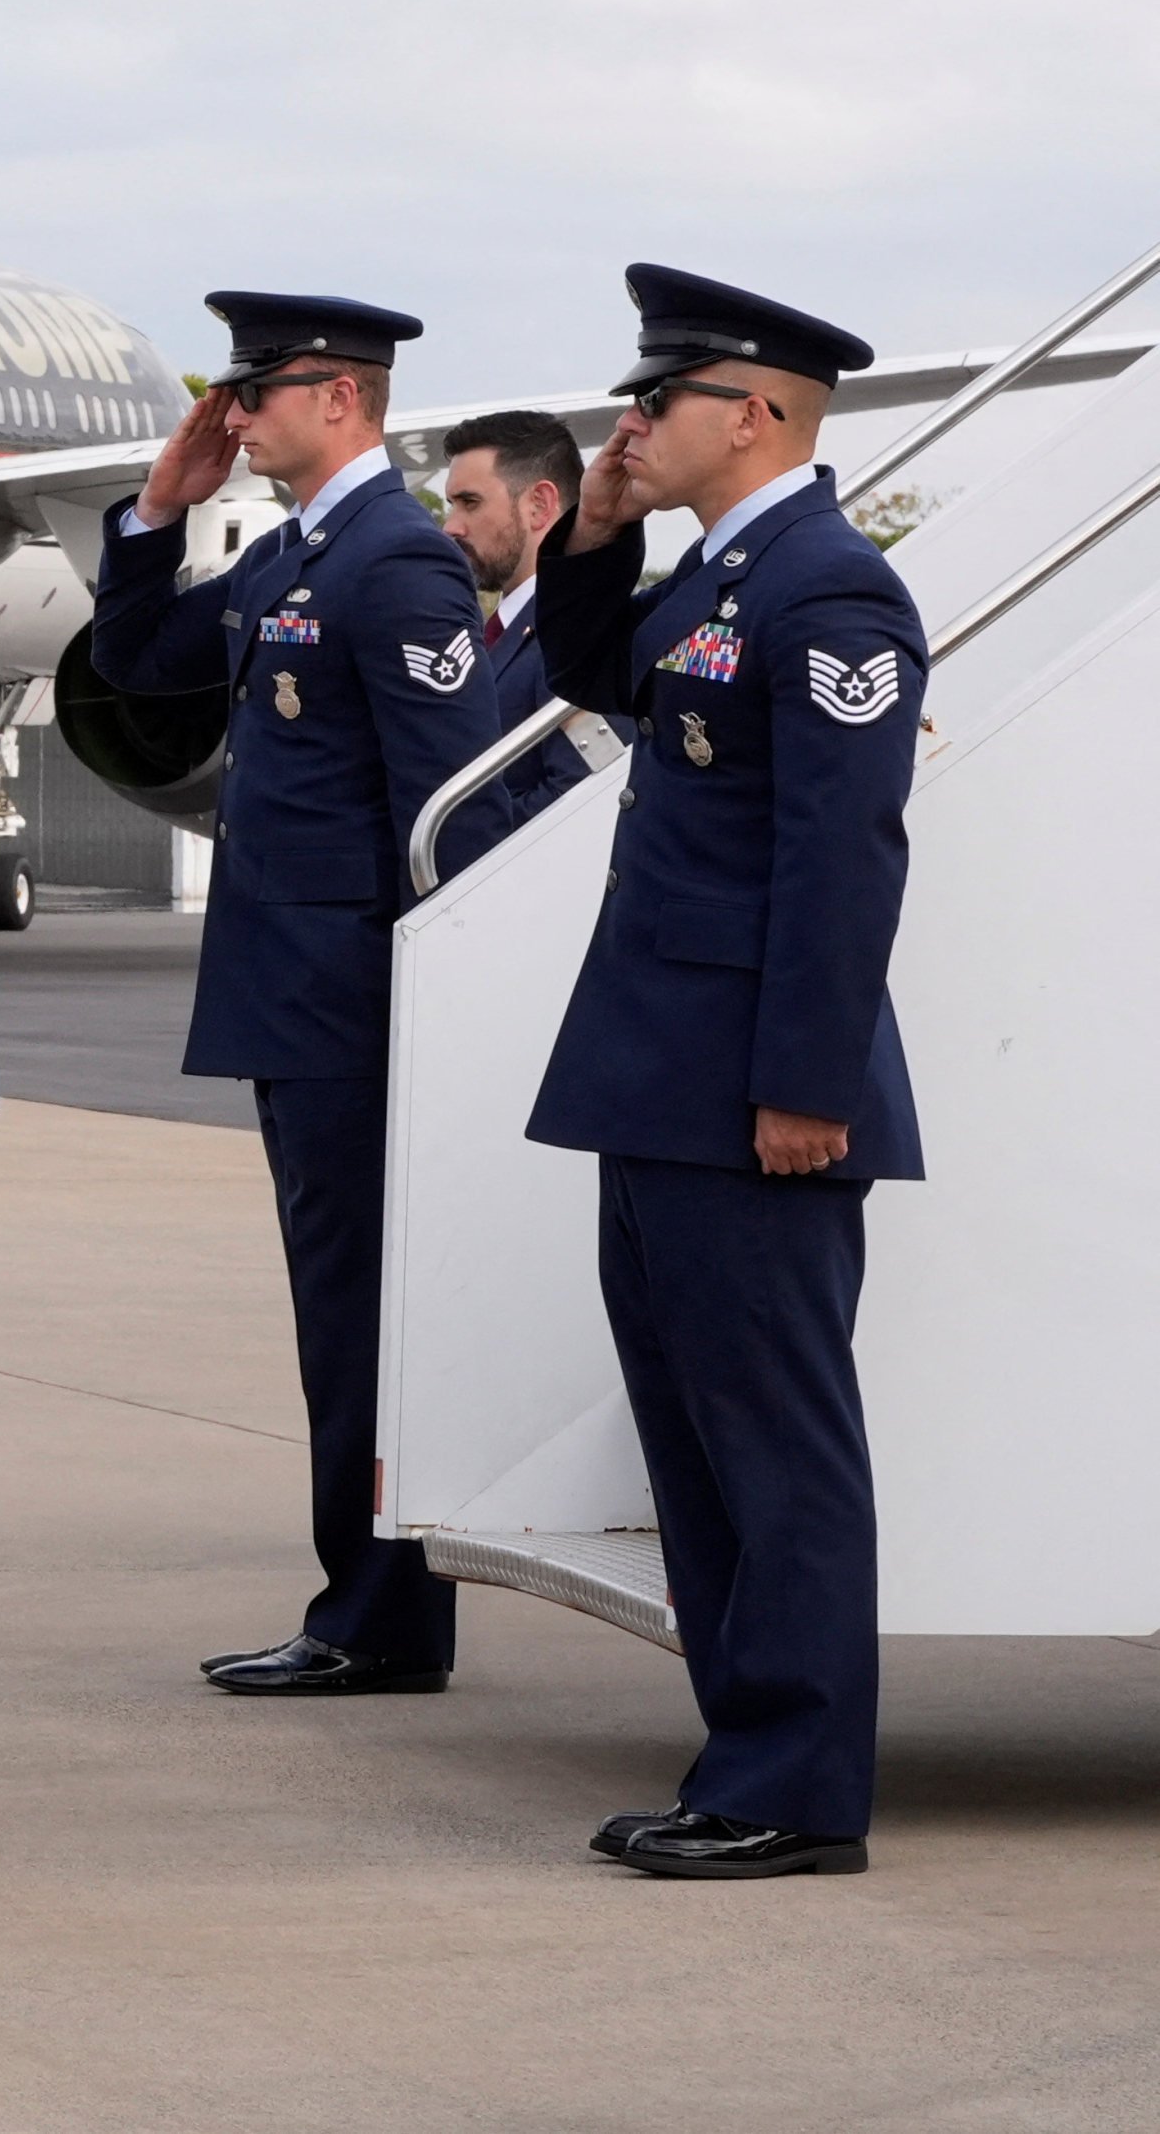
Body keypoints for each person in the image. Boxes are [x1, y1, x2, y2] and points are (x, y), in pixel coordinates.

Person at [531, 266, 923, 1881]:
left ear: (754, 411)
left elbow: (845, 861)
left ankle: (798, 1785)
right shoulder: (720, 580)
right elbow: (587, 670)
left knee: (775, 1445)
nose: (631, 423)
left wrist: (807, 1085)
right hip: (663, 1077)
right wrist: (600, 523)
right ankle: (743, 1754)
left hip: (755, 1093)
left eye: (659, 401)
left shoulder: (831, 594)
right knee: (693, 1441)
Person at [90, 293, 508, 1698]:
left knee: (355, 1311)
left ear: (338, 399)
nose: (230, 414)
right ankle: (367, 1606)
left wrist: (442, 1013)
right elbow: (136, 663)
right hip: (300, 1001)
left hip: (356, 1010)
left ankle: (376, 1617)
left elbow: (459, 811)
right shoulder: (291, 553)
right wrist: (155, 512)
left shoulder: (391, 563)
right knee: (333, 1304)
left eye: (253, 391)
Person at [438, 410, 608, 812]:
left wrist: (460, 837)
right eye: (451, 504)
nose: (451, 526)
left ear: (539, 505)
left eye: (470, 503)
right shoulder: (492, 631)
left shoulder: (576, 634)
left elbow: (582, 803)